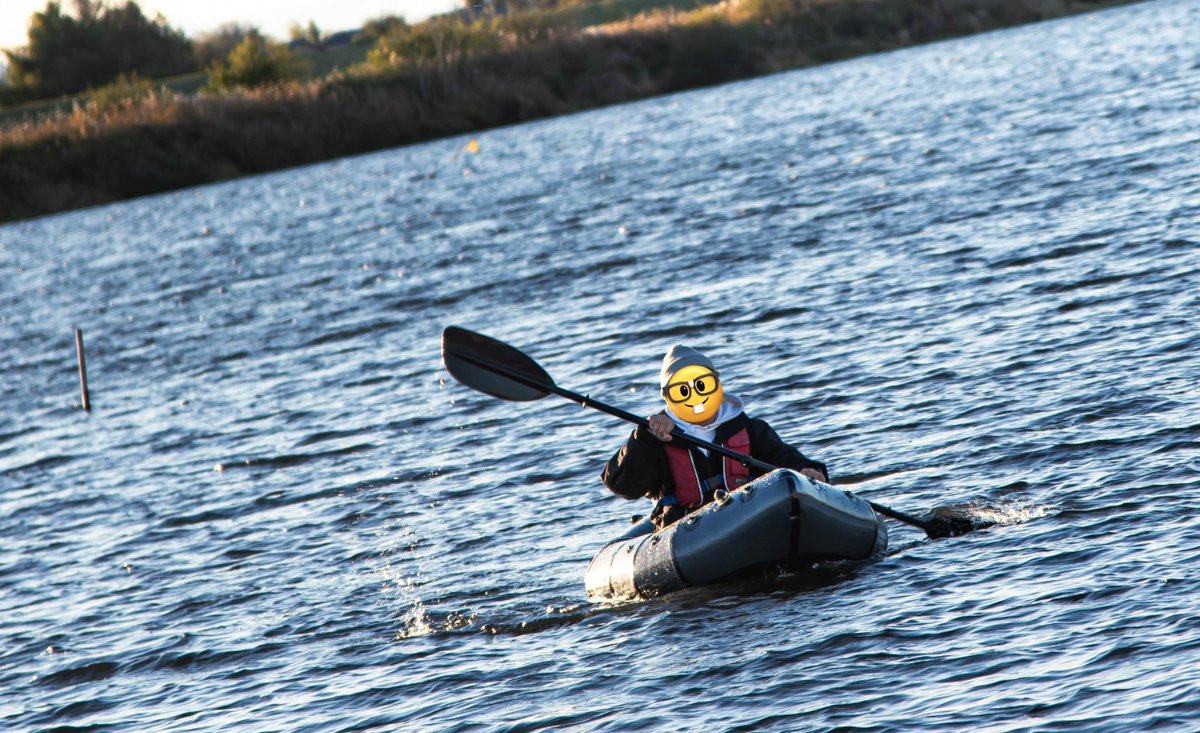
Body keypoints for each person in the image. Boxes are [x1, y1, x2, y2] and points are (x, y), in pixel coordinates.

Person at [601, 344, 830, 529]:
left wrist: (806, 471)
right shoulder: (653, 437)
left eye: (701, 384)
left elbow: (784, 460)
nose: (695, 396)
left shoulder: (749, 429)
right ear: (666, 395)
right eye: (682, 389)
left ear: (716, 381)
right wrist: (644, 440)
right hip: (685, 532)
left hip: (747, 518)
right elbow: (623, 486)